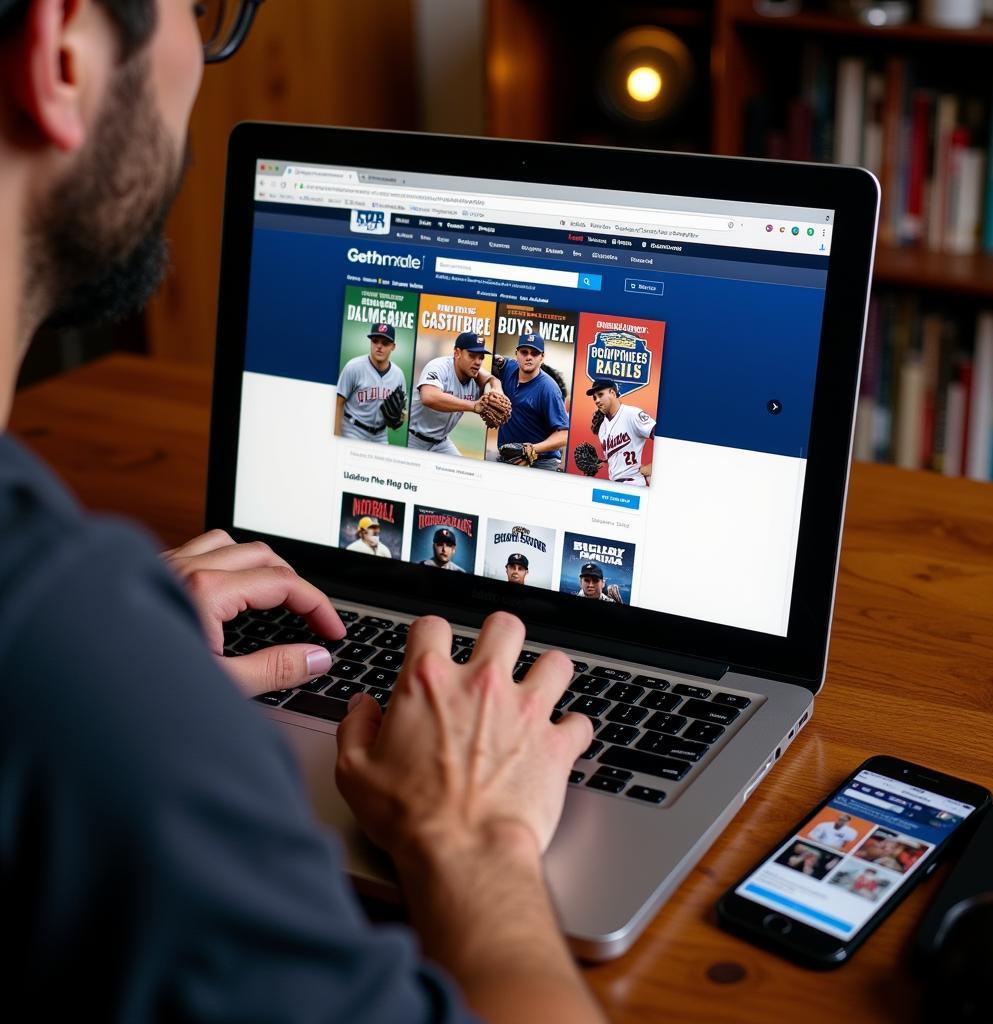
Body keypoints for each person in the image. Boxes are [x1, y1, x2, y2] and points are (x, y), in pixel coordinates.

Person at [0, 3, 601, 1021]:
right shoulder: (57, 653)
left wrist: (127, 651)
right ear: (62, 51)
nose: (206, 51)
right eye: (202, 11)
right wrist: (473, 839)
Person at [407, 332, 505, 456]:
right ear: (457, 353)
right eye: (472, 355)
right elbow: (429, 397)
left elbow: (490, 378)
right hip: (412, 439)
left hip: (441, 443)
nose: (478, 362)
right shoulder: (438, 367)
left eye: (481, 357)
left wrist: (497, 385)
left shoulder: (475, 376)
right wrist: (473, 406)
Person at [494, 332, 569, 470]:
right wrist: (494, 386)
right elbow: (488, 362)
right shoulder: (508, 368)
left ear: (542, 357)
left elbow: (564, 435)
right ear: (516, 354)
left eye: (534, 353)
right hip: (507, 458)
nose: (529, 357)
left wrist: (530, 449)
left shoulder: (548, 389)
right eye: (524, 352)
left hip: (541, 463)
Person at [334, 322, 406, 441]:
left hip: (380, 436)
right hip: (353, 430)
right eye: (375, 340)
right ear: (370, 342)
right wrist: (336, 435)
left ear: (393, 346)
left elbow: (402, 412)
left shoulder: (398, 375)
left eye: (385, 343)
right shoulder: (353, 367)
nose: (379, 346)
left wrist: (400, 419)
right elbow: (338, 403)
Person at [587, 378, 655, 486]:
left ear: (612, 393)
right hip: (614, 484)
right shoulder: (602, 428)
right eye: (594, 398)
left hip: (633, 483)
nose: (597, 400)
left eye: (600, 395)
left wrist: (653, 467)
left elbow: (661, 437)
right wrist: (600, 462)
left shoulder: (632, 414)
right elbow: (616, 455)